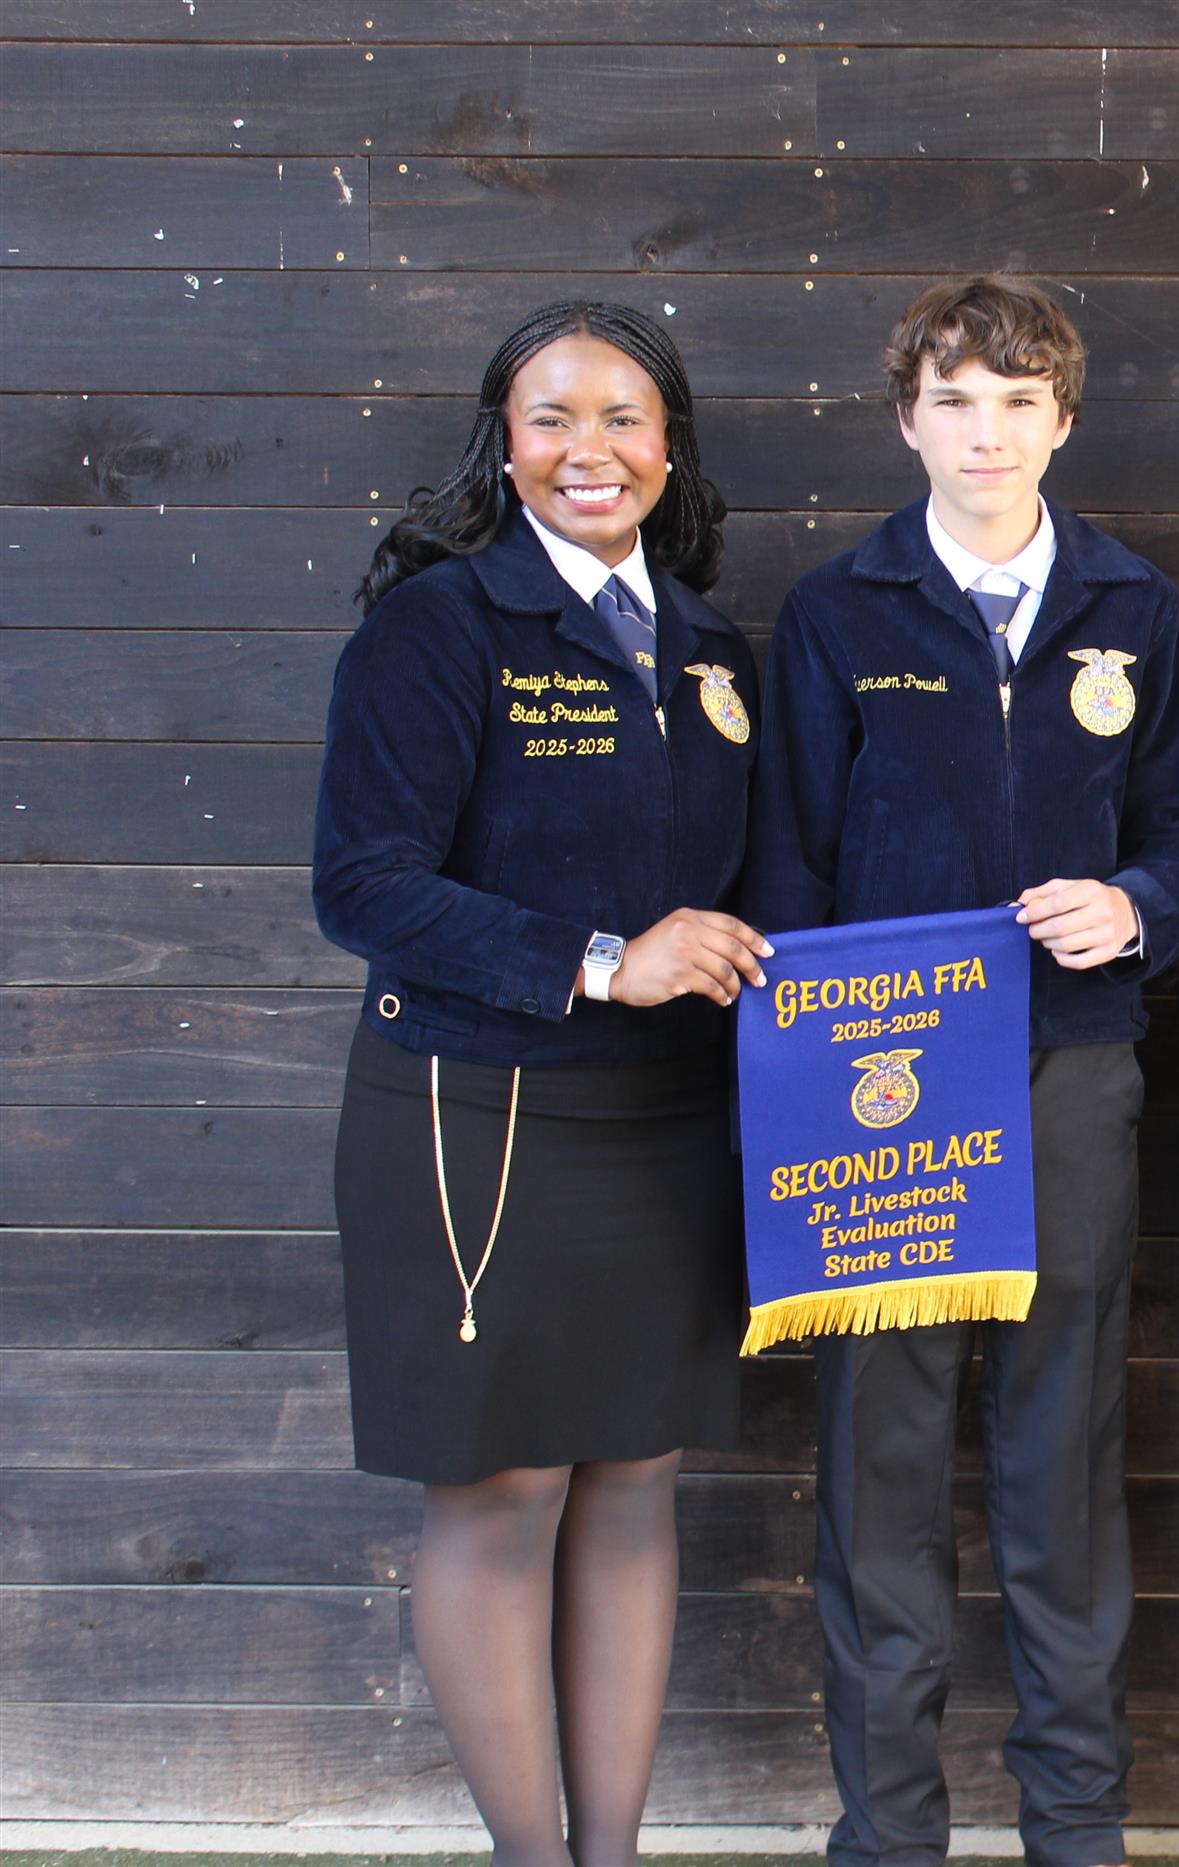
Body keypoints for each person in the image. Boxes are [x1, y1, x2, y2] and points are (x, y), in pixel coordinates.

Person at [745, 274, 1179, 1867]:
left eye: (1019, 401)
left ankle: (1075, 1831)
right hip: (878, 1095)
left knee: (1060, 1463)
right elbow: (789, 870)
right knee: (879, 1467)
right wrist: (805, 1095)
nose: (986, 431)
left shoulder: (1134, 607)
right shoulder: (839, 610)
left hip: (1072, 1080)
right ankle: (889, 1836)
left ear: (1063, 419)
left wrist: (1136, 906)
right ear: (908, 420)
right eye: (953, 400)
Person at [313, 300, 766, 1866]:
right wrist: (600, 959)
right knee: (499, 1496)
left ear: (670, 445)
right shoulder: (439, 629)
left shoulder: (711, 651)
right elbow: (364, 885)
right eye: (553, 418)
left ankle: (610, 1856)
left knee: (636, 1485)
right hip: (479, 1116)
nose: (592, 450)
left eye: (623, 417)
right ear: (503, 449)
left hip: (666, 1125)